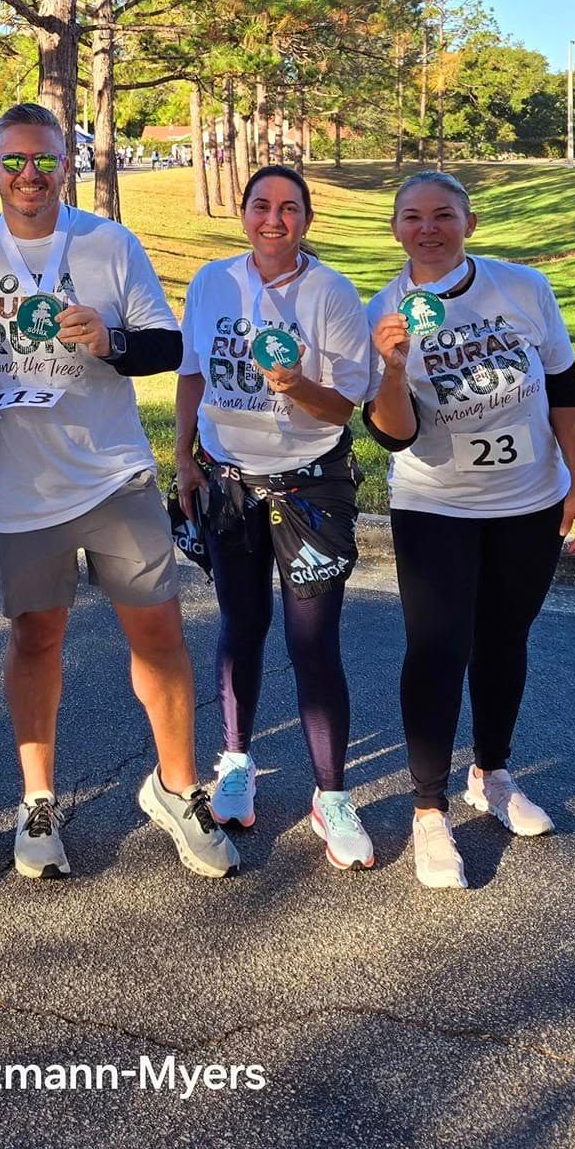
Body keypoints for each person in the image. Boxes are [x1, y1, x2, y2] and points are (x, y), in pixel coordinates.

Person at [0, 102, 236, 881]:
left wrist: (110, 342)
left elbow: (170, 344)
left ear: (65, 166)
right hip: (18, 488)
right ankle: (37, 799)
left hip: (112, 476)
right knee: (36, 639)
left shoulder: (108, 243)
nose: (29, 175)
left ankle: (177, 788)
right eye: (13, 161)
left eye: (44, 159)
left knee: (161, 637)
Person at [365, 170, 575, 890]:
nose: (428, 228)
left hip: (530, 501)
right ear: (397, 228)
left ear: (469, 222)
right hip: (437, 504)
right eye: (413, 217)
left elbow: (564, 389)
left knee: (504, 640)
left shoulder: (522, 287)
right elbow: (392, 438)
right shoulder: (385, 310)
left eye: (443, 215)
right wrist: (394, 370)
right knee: (437, 649)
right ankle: (428, 811)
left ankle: (491, 773)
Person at [174, 166, 374, 872]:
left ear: (307, 220)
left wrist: (297, 385)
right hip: (228, 481)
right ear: (243, 211)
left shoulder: (331, 293)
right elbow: (193, 372)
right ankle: (236, 765)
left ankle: (333, 795)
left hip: (310, 487)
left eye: (289, 208)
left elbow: (344, 406)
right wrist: (183, 457)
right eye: (261, 205)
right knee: (241, 626)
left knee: (311, 641)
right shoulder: (211, 283)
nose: (273, 220)